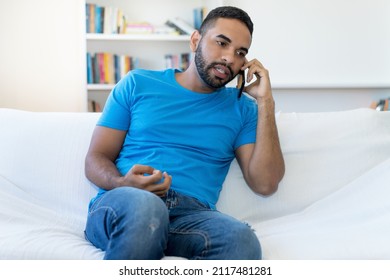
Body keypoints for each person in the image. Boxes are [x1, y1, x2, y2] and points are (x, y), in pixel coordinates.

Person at [84, 6, 285, 260]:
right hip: (128, 202)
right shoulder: (138, 83)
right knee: (147, 209)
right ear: (195, 40)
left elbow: (265, 184)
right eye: (221, 43)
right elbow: (96, 158)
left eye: (240, 53)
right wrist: (122, 183)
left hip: (192, 217)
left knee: (241, 239)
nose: (229, 58)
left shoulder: (242, 109)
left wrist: (266, 102)